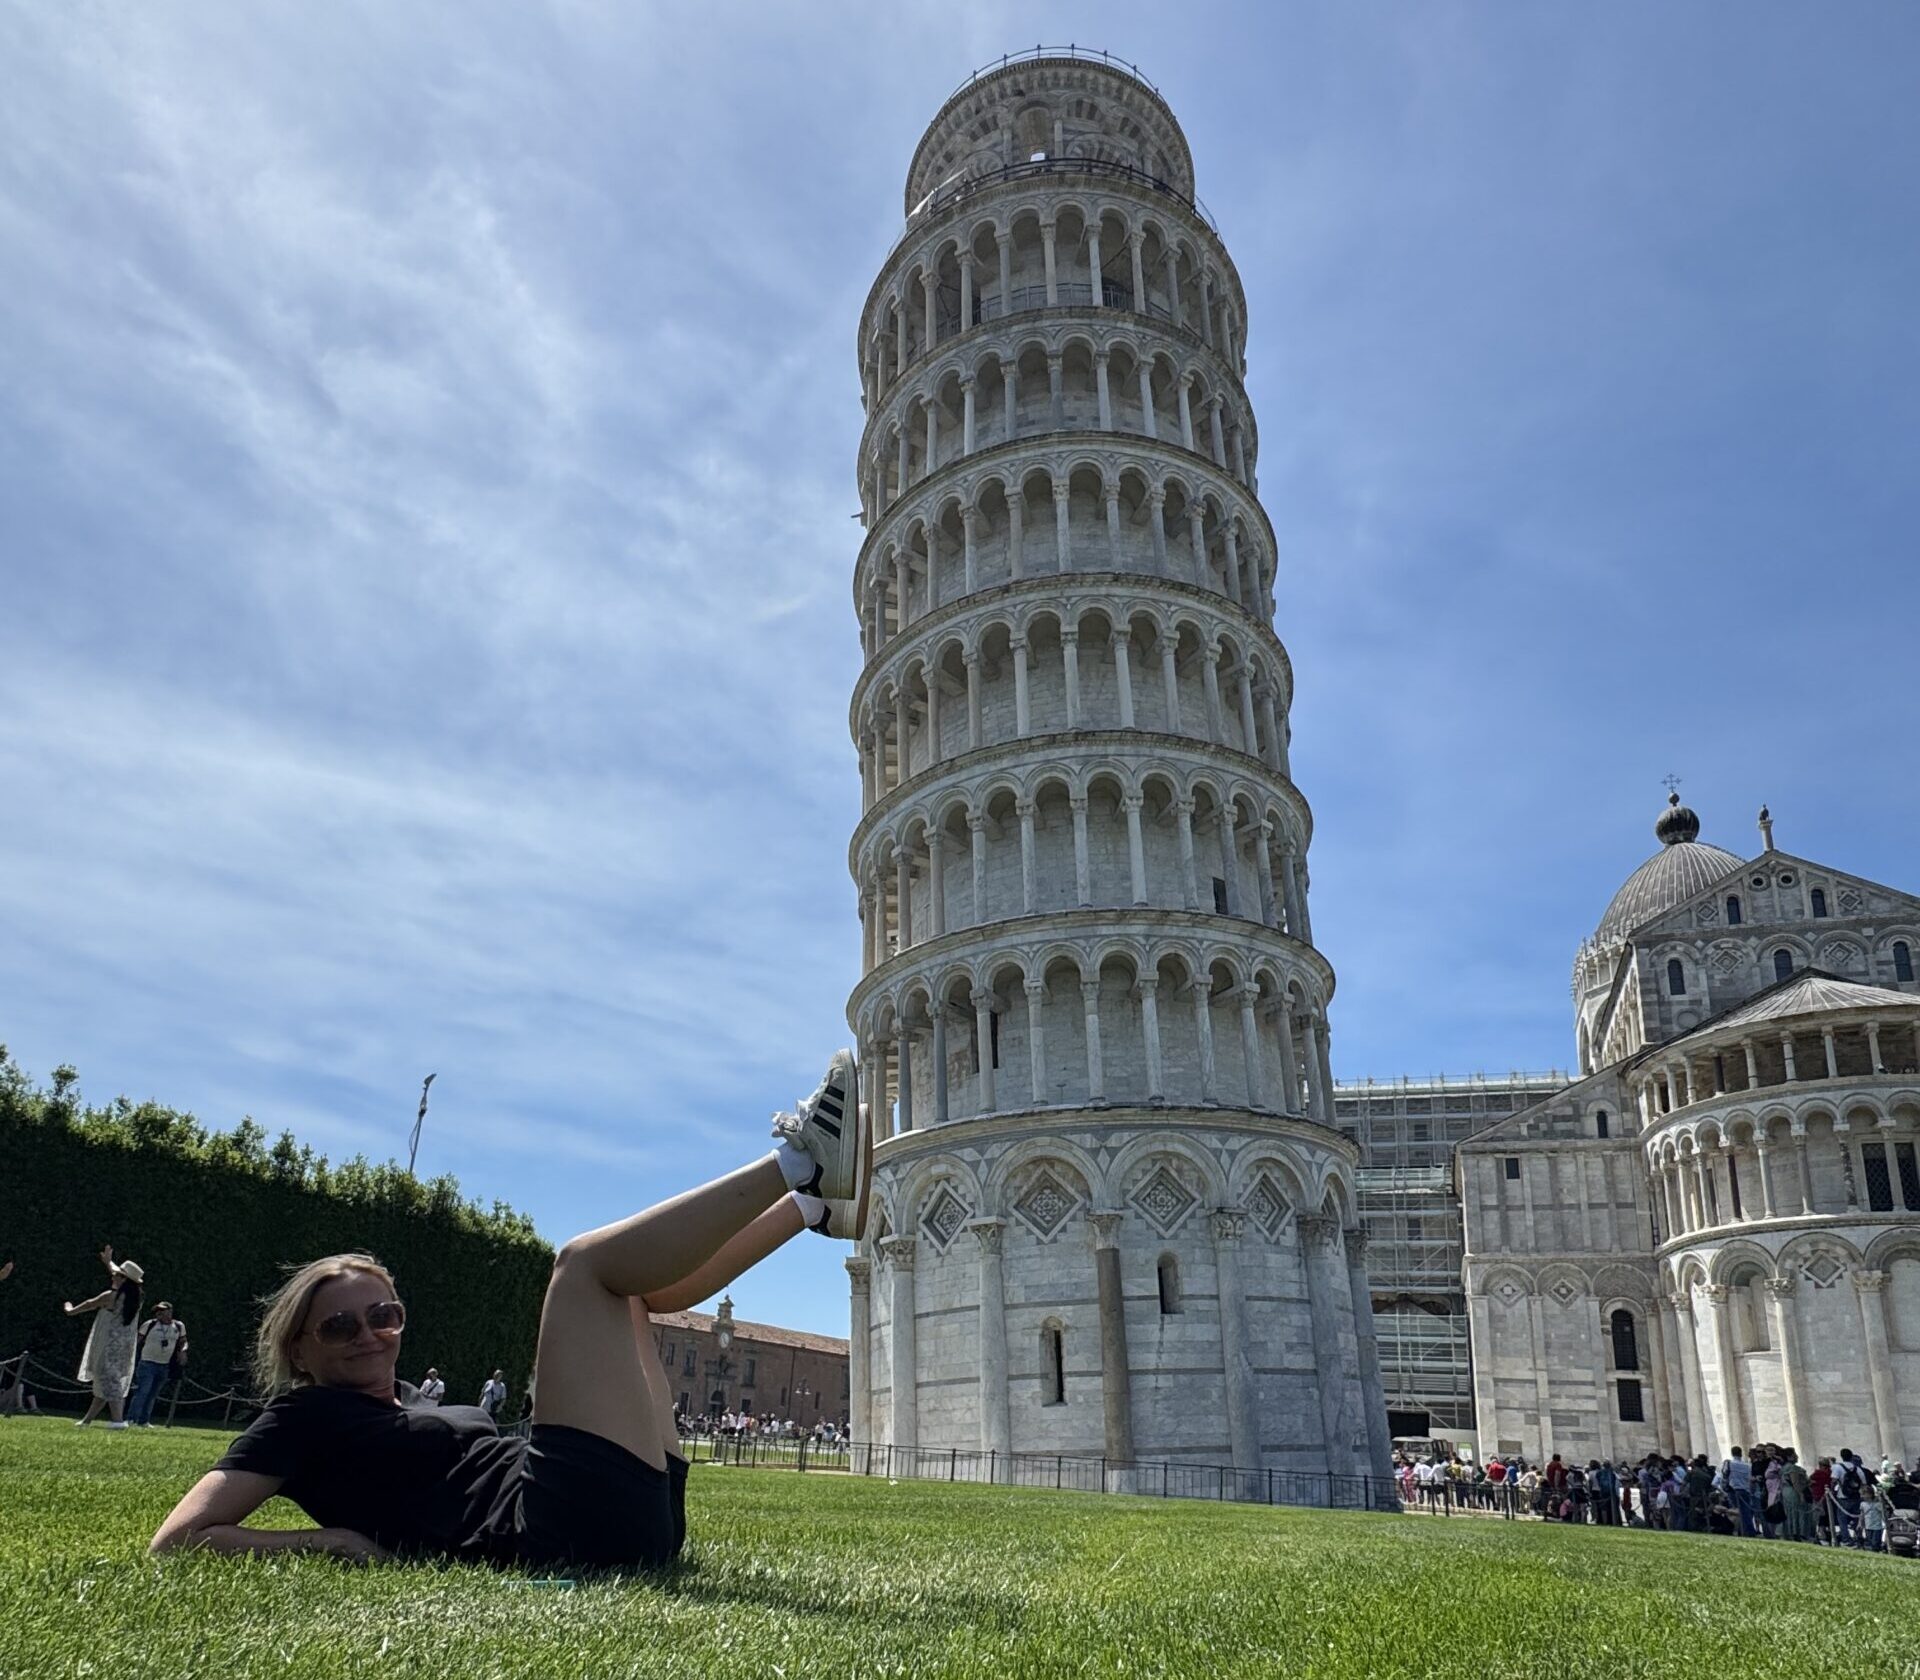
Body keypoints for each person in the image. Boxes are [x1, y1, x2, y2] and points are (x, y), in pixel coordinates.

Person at [150, 1052, 866, 1570]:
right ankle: (799, 1160)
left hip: (624, 1516)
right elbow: (179, 1539)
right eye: (340, 1325)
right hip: (554, 1527)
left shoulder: (399, 1405)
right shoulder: (297, 1419)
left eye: (384, 1314)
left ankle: (813, 1207)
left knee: (642, 1297)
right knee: (583, 1266)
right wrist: (324, 1541)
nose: (369, 1334)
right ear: (299, 1350)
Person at [65, 1246, 143, 1428]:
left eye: (119, 1275)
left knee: (109, 1381)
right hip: (124, 1346)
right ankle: (87, 1420)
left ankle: (117, 1420)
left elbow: (90, 1304)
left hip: (107, 1344)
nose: (114, 1275)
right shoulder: (136, 1297)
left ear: (125, 1280)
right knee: (103, 1382)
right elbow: (119, 1275)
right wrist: (108, 1262)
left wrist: (70, 1310)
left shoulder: (111, 1296)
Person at [128, 1302, 189, 1427]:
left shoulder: (178, 1326)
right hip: (147, 1363)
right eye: (158, 1311)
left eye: (163, 1310)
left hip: (164, 1364)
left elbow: (184, 1341)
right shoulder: (149, 1325)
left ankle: (144, 1420)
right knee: (143, 1391)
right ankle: (132, 1419)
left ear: (170, 1312)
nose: (159, 1313)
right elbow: (137, 1341)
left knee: (153, 1394)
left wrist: (183, 1352)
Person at [1723, 1445, 1755, 1537]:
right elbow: (1750, 1478)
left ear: (1732, 1453)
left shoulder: (1729, 1463)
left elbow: (1725, 1475)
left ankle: (1738, 1531)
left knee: (1735, 1511)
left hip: (1734, 1490)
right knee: (1746, 1512)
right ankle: (1749, 1531)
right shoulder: (1748, 1465)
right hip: (1745, 1490)